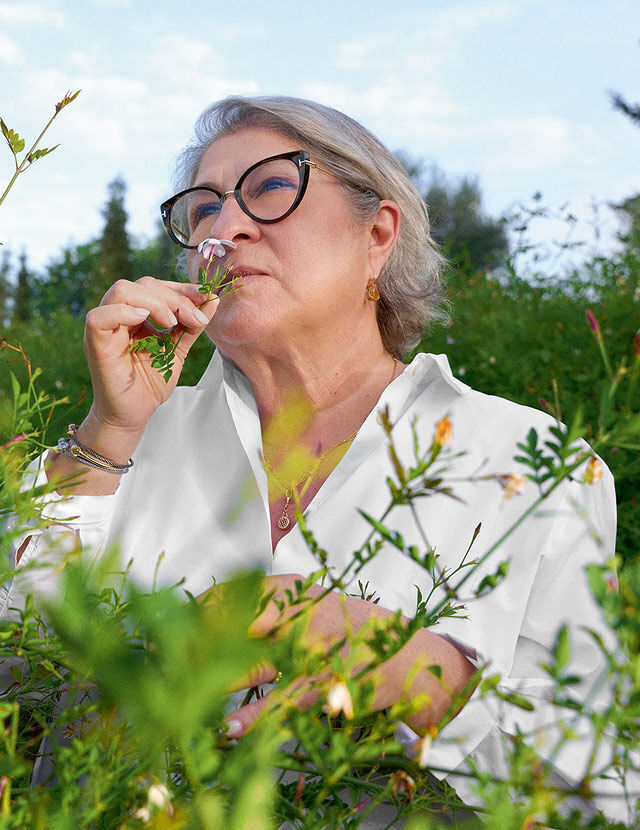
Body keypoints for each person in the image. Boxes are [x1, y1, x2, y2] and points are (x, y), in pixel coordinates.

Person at [2, 96, 617, 817]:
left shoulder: (533, 466)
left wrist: (427, 676)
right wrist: (108, 434)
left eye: (268, 187)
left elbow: (602, 792)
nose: (224, 228)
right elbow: (20, 676)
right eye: (201, 210)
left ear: (377, 235)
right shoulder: (128, 443)